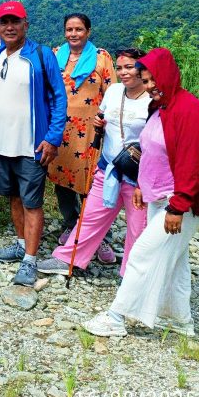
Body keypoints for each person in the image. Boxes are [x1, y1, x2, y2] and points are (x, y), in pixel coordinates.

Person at [83, 47, 199, 338]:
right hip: (162, 194)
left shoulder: (188, 111)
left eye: (153, 80)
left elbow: (192, 165)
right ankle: (178, 320)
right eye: (146, 80)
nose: (150, 86)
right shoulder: (163, 106)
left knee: (143, 252)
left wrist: (178, 208)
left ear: (167, 76)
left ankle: (117, 317)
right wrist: (143, 183)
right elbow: (151, 150)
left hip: (182, 201)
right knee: (176, 260)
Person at [0, 0, 67, 286]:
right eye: (4, 22)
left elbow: (58, 98)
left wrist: (52, 139)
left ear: (25, 24)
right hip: (1, 144)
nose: (9, 27)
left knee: (31, 202)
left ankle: (30, 259)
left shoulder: (40, 56)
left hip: (32, 146)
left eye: (15, 22)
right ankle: (19, 243)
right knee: (13, 196)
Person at [38, 49, 150, 277]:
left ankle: (134, 276)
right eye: (120, 68)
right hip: (108, 167)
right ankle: (68, 259)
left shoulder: (152, 100)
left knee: (138, 227)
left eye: (130, 67)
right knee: (89, 218)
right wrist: (100, 124)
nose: (124, 72)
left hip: (138, 175)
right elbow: (102, 114)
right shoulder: (115, 91)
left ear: (142, 69)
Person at [51, 13, 117, 263]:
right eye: (69, 29)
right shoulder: (56, 54)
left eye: (79, 29)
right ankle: (70, 224)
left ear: (88, 31)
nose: (73, 34)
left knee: (92, 180)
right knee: (62, 175)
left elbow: (112, 92)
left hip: (92, 129)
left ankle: (98, 235)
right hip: (61, 128)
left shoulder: (102, 57)